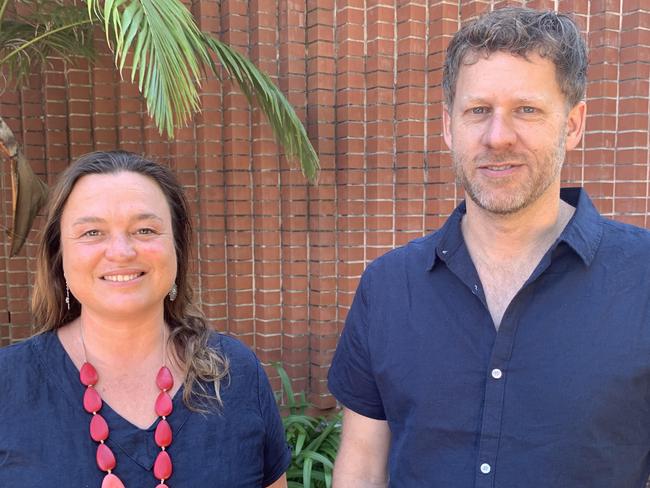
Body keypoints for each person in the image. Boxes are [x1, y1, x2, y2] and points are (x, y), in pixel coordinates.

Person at [328, 7, 650, 488]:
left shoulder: (642, 278)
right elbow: (362, 470)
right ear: (447, 126)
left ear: (573, 124)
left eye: (527, 109)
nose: (498, 137)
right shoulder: (389, 286)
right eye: (478, 110)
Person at [0, 151, 291, 487]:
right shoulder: (9, 384)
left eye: (145, 229)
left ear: (176, 247)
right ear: (59, 253)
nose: (121, 252)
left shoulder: (236, 374)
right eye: (92, 232)